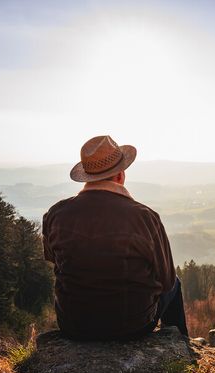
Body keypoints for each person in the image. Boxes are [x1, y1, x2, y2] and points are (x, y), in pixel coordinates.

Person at [42, 135, 188, 340]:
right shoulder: (144, 217)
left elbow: (54, 261)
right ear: (120, 175)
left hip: (73, 324)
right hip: (132, 325)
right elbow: (166, 281)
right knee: (176, 283)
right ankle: (179, 345)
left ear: (86, 177)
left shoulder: (55, 214)